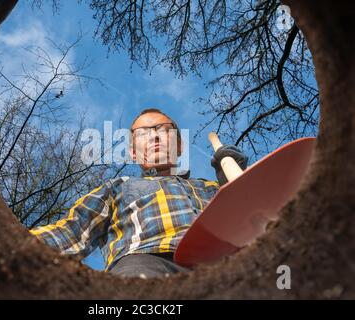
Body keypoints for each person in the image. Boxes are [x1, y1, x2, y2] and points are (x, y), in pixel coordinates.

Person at [30, 108, 248, 278]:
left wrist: (237, 186)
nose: (154, 137)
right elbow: (72, 231)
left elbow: (254, 219)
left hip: (225, 266)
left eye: (163, 129)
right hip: (146, 261)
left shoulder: (211, 188)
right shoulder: (118, 186)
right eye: (143, 133)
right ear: (134, 153)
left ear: (180, 146)